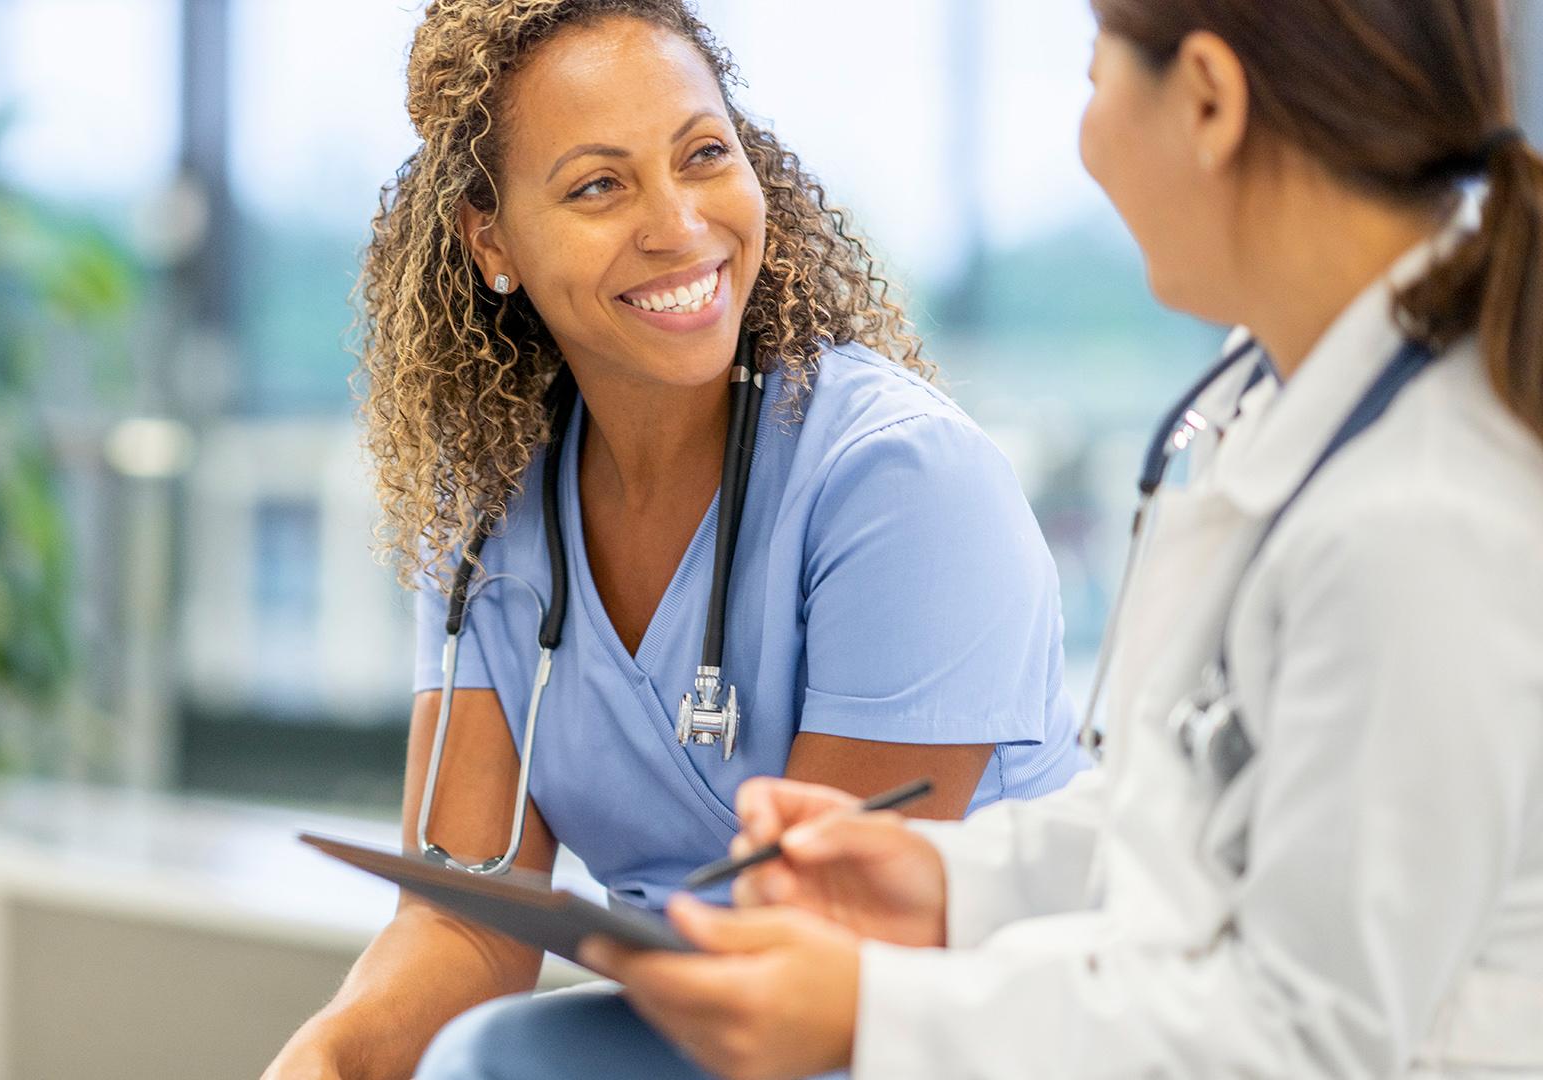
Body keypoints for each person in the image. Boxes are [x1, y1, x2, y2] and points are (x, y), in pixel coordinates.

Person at [424, 0, 1543, 1077]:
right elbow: (1198, 820)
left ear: (1206, 100)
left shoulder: (1420, 518)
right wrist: (951, 879)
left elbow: (1303, 1038)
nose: (1088, 141)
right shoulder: (1300, 418)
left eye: (1098, 74)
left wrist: (878, 1010)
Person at [261, 1, 1088, 1077]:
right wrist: (327, 1059)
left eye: (703, 155)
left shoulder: (899, 482)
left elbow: (825, 935)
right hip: (710, 1027)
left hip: (937, 1040)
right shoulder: (491, 512)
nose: (677, 224)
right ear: (493, 238)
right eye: (599, 185)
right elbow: (470, 917)